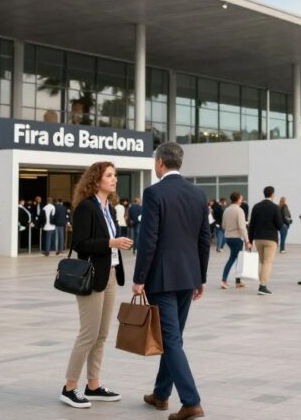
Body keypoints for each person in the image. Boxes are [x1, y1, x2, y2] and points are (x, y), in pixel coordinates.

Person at [133, 142, 210, 420]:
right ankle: (161, 394)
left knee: (172, 340)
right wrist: (200, 278)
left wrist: (139, 278)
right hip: (188, 277)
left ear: (160, 163)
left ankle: (191, 401)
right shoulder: (198, 194)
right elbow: (204, 239)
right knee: (173, 338)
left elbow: (148, 238)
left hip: (162, 279)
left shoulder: (154, 193)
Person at [59, 161, 134, 408]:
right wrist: (110, 243)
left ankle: (93, 385)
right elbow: (80, 244)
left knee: (102, 334)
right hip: (91, 275)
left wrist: (116, 245)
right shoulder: (86, 208)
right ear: (96, 179)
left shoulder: (109, 208)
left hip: (110, 273)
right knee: (88, 333)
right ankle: (69, 387)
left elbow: (106, 240)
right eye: (109, 175)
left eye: (115, 175)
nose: (114, 179)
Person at [248, 186, 283, 296]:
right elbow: (279, 225)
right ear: (272, 194)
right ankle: (262, 286)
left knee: (262, 262)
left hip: (258, 238)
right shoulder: (275, 207)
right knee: (268, 262)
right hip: (271, 239)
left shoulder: (256, 206)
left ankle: (262, 284)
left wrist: (249, 240)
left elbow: (251, 224)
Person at [220, 192, 251, 289]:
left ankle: (238, 281)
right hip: (237, 238)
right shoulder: (239, 210)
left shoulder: (226, 210)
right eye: (241, 198)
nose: (242, 200)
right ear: (237, 199)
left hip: (228, 238)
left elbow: (223, 226)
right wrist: (247, 241)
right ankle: (224, 280)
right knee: (232, 259)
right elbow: (242, 227)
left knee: (237, 259)